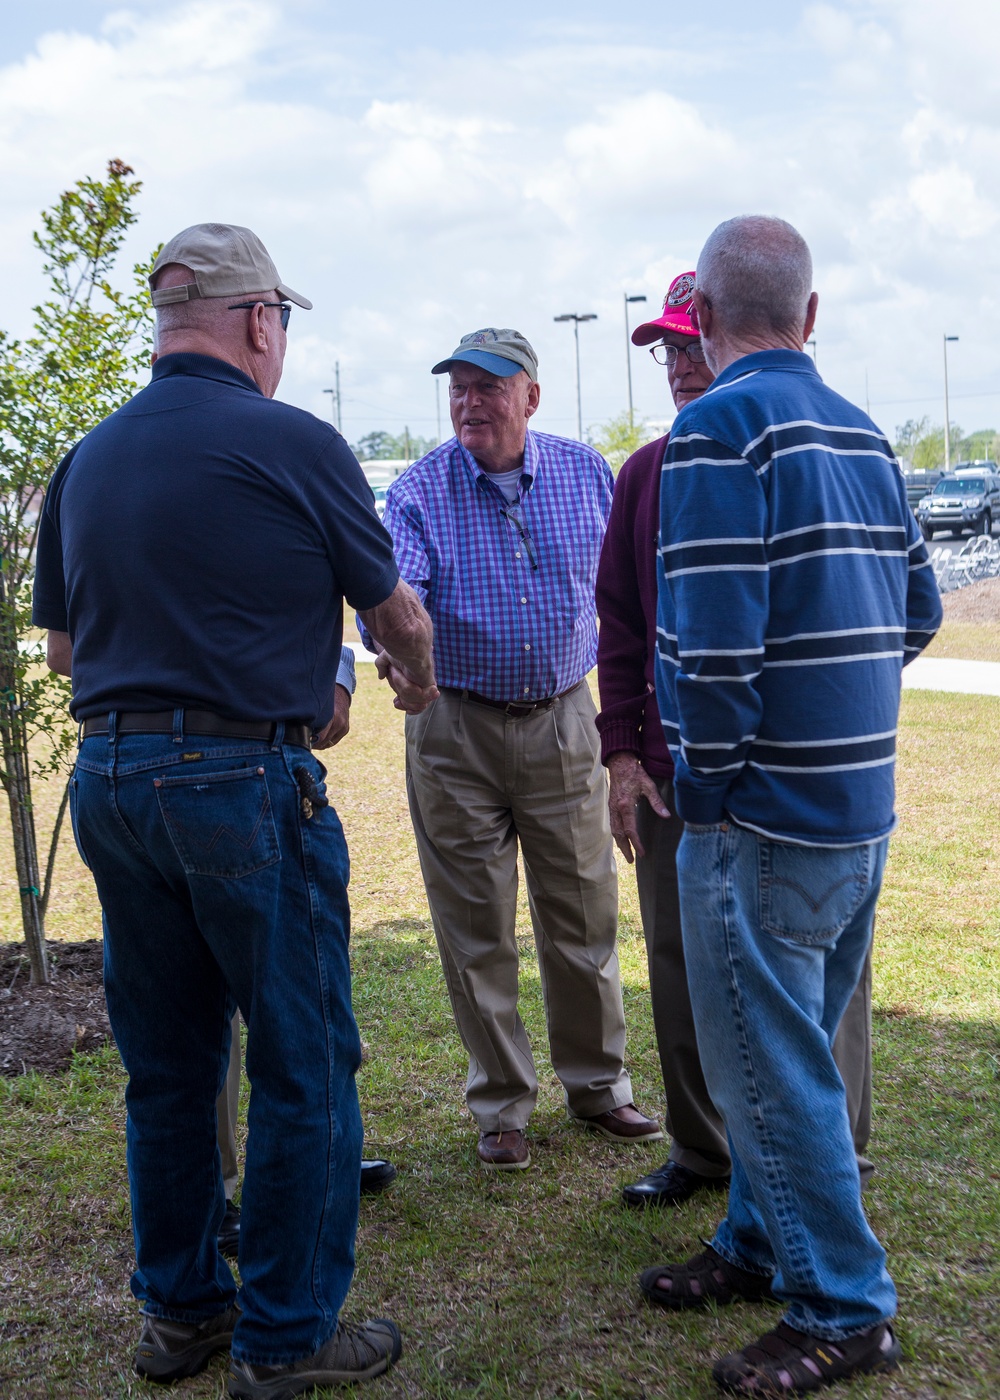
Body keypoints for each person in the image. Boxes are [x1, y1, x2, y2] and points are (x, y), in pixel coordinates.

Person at [33, 222, 437, 1396]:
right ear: (260, 320)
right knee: (304, 1057)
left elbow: (63, 648)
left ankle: (181, 1314)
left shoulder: (87, 457)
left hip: (109, 782)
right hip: (239, 784)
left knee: (165, 1066)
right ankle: (287, 1333)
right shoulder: (295, 441)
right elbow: (395, 614)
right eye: (283, 325)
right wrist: (404, 680)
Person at [637, 217, 941, 1395]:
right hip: (856, 806)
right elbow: (915, 610)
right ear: (808, 318)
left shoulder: (714, 426)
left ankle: (844, 1306)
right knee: (793, 1050)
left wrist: (706, 791)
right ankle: (760, 1243)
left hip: (759, 817)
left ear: (702, 322)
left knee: (772, 1069)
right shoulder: (865, 432)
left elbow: (710, 654)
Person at [596, 273, 874, 1209]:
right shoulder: (644, 473)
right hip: (682, 780)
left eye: (687, 342)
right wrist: (624, 756)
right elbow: (623, 628)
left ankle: (832, 1149)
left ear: (719, 331)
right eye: (662, 351)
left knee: (814, 981)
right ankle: (707, 1151)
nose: (679, 365)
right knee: (679, 965)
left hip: (769, 788)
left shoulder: (802, 446)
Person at [374, 327, 660, 1171]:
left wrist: (629, 730)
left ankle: (600, 1085)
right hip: (452, 726)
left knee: (582, 911)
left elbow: (626, 598)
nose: (471, 403)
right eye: (458, 388)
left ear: (530, 396)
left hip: (564, 717)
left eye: (489, 387)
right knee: (473, 926)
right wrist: (402, 657)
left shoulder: (585, 474)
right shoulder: (420, 490)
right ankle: (500, 1104)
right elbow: (396, 594)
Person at [215, 646, 397, 1265]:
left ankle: (316, 1168)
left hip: (267, 759)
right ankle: (232, 1200)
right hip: (226, 765)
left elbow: (332, 603)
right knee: (259, 1014)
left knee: (300, 991)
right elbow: (65, 650)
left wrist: (337, 677)